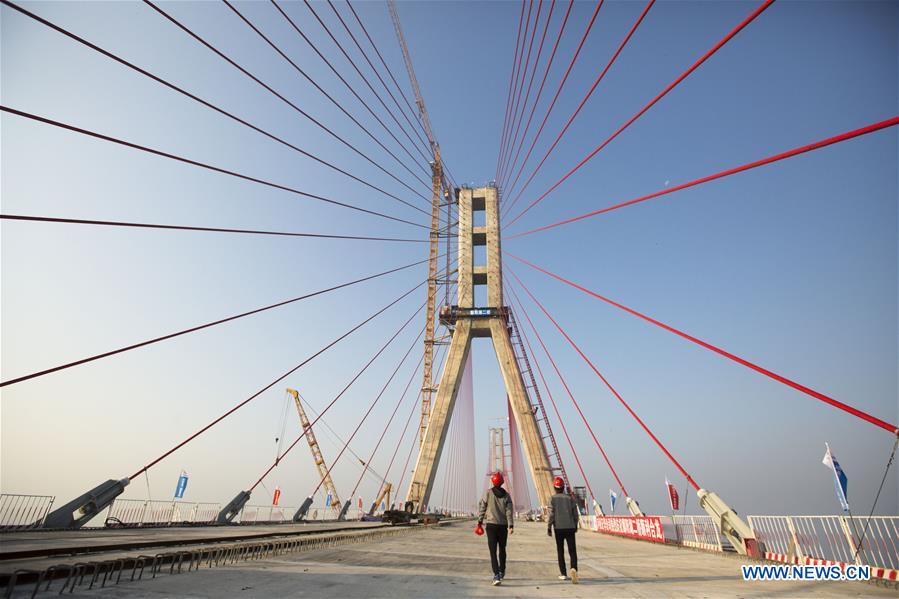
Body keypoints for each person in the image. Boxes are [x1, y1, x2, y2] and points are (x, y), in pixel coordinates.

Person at [477, 471, 514, 586]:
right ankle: (502, 571)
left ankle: (496, 575)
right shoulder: (507, 495)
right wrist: (511, 525)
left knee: (493, 551)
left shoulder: (488, 493)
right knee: (502, 549)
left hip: (491, 526)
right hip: (503, 526)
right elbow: (509, 511)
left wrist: (479, 521)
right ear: (502, 482)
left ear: (492, 481)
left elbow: (482, 507)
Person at [547, 476, 579, 583]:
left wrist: (549, 527)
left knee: (560, 551)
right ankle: (574, 569)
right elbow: (575, 514)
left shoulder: (552, 499)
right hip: (570, 527)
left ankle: (563, 573)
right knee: (572, 551)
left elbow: (551, 514)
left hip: (558, 528)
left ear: (555, 487)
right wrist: (575, 525)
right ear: (563, 487)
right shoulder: (570, 498)